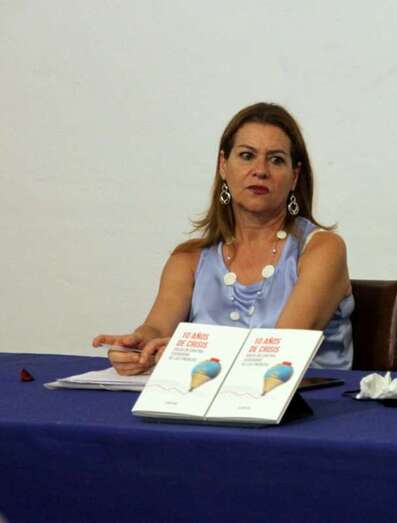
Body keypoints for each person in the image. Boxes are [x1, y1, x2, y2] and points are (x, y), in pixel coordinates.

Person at [94, 103, 354, 374]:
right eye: (247, 156)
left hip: (308, 398)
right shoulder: (188, 258)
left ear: (294, 177)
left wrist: (189, 352)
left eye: (276, 160)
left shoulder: (323, 249)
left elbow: (281, 349)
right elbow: (158, 328)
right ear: (223, 165)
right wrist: (140, 345)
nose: (260, 170)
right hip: (204, 393)